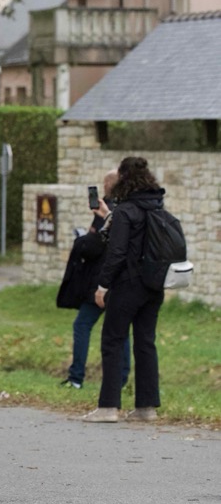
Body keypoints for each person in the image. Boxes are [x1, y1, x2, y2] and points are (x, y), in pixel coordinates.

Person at [84, 156, 167, 423]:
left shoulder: (126, 210)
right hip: (154, 285)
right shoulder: (158, 206)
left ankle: (109, 407)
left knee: (112, 341)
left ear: (123, 178)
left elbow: (117, 253)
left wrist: (102, 285)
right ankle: (146, 408)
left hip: (127, 285)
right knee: (146, 343)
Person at [57, 169, 130, 390]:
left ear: (107, 185)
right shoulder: (128, 208)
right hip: (122, 280)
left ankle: (76, 377)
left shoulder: (106, 211)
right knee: (121, 330)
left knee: (82, 325)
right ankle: (122, 378)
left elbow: (94, 246)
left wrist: (84, 238)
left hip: (101, 281)